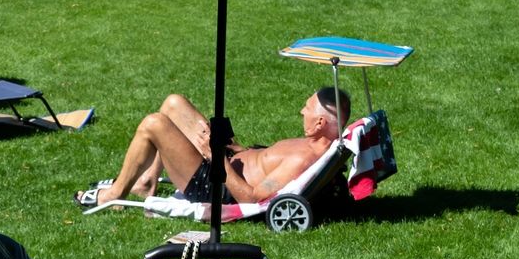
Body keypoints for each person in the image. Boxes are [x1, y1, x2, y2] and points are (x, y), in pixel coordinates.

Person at [80, 87, 352, 209]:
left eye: (307, 107)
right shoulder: (316, 144)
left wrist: (217, 157)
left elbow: (253, 199)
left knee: (154, 124)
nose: (301, 110)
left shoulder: (304, 158)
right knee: (174, 103)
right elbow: (266, 164)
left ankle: (114, 195)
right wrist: (235, 148)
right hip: (227, 159)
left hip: (216, 187)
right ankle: (146, 182)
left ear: (319, 122)